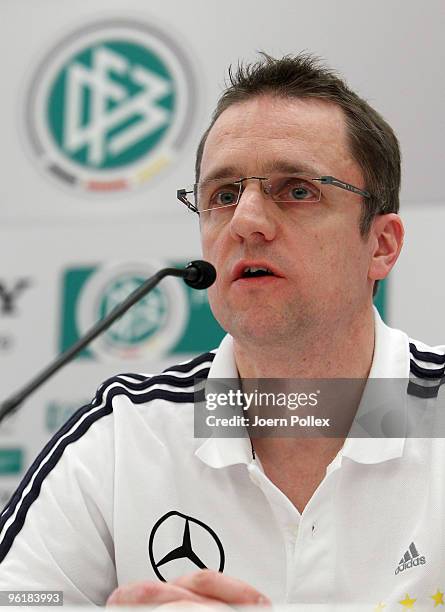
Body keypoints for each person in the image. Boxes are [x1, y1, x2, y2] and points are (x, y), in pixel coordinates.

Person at [1, 52, 444, 609]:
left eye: (298, 190)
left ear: (381, 245)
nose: (246, 223)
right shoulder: (126, 434)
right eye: (223, 195)